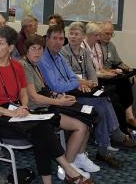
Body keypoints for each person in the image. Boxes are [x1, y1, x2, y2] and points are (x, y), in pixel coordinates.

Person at [0, 26, 95, 184]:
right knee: (42, 130)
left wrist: (22, 106)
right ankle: (66, 171)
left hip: (18, 114)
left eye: (0, 43)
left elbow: (24, 93)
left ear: (11, 47)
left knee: (42, 131)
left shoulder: (16, 66)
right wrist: (12, 112)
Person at [40, 25, 136, 168]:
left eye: (61, 38)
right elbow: (57, 86)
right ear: (47, 39)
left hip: (76, 92)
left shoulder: (61, 56)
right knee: (102, 105)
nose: (59, 41)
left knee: (105, 99)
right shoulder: (51, 56)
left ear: (82, 36)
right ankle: (112, 141)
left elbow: (75, 77)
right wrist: (77, 83)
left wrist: (79, 82)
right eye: (55, 38)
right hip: (63, 98)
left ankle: (106, 145)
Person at [20, 34, 100, 180]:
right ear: (27, 51)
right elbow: (34, 97)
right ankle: (67, 167)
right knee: (81, 126)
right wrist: (59, 102)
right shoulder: (24, 66)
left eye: (40, 49)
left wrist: (60, 97)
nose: (37, 52)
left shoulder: (36, 66)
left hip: (49, 104)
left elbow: (46, 91)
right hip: (38, 111)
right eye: (33, 49)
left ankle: (79, 157)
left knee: (88, 116)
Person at [98, 21, 136, 129]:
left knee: (126, 80)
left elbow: (118, 62)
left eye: (111, 34)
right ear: (100, 33)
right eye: (107, 33)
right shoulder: (95, 46)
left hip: (113, 74)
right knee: (122, 84)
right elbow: (97, 68)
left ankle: (129, 116)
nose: (109, 36)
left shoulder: (111, 46)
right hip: (102, 76)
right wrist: (110, 72)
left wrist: (128, 69)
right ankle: (128, 117)